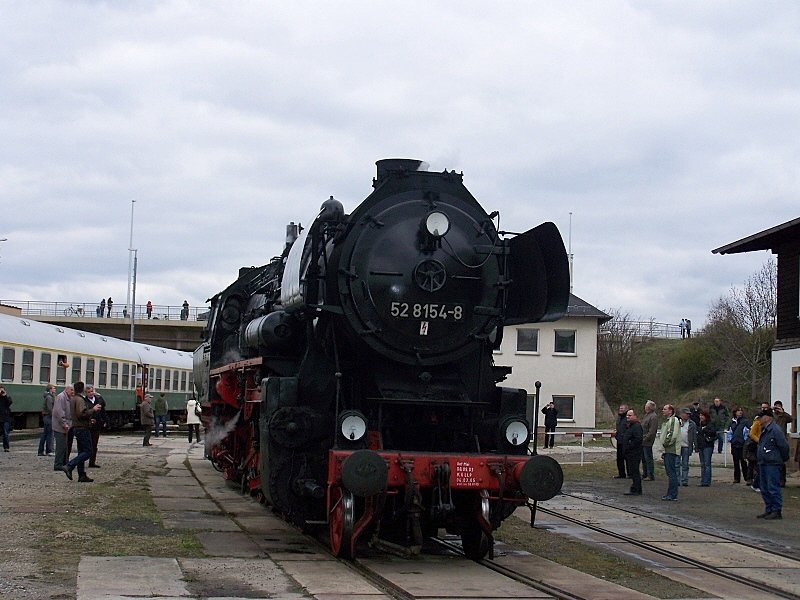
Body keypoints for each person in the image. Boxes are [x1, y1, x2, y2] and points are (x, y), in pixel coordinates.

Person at [61, 382, 102, 482]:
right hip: (82, 428)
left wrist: (89, 420)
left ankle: (81, 475)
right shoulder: (79, 399)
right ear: (83, 389)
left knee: (81, 451)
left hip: (77, 427)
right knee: (88, 451)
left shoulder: (73, 399)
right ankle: (70, 466)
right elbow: (81, 413)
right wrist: (93, 410)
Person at [755, 407, 790, 520]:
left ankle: (776, 510)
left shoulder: (775, 430)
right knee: (764, 487)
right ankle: (769, 509)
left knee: (772, 487)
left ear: (767, 418)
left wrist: (781, 458)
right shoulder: (765, 429)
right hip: (764, 462)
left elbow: (784, 446)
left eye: (761, 417)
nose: (760, 419)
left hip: (772, 463)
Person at [746, 402, 770, 491]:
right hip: (757, 445)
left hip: (765, 445)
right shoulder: (757, 422)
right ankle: (756, 483)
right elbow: (751, 434)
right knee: (757, 465)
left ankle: (760, 483)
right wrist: (759, 441)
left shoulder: (770, 423)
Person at [659, 404, 681, 500]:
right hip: (668, 450)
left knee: (672, 473)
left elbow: (672, 434)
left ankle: (672, 494)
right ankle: (670, 493)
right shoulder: (668, 421)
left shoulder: (673, 420)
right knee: (670, 472)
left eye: (665, 409)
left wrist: (665, 444)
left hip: (671, 450)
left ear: (670, 411)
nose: (663, 411)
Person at [52, 384, 73, 470]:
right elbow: (59, 412)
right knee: (60, 446)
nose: (73, 392)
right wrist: (64, 423)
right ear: (66, 389)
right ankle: (58, 464)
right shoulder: (61, 397)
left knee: (64, 446)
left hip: (65, 426)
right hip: (60, 426)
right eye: (71, 390)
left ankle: (64, 462)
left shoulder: (67, 397)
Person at [772, 400, 793, 487]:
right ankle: (775, 479)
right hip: (772, 440)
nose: (777, 408)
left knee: (782, 461)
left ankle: (782, 480)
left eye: (778, 406)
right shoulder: (772, 416)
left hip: (782, 440)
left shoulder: (784, 416)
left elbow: (791, 419)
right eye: (776, 406)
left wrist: (783, 413)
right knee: (773, 461)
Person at [622, 409, 643, 495]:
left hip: (634, 452)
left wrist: (630, 446)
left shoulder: (637, 426)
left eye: (630, 415)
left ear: (635, 416)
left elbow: (638, 439)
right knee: (632, 471)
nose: (627, 417)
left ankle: (637, 489)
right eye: (627, 415)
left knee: (635, 471)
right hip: (629, 452)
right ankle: (634, 487)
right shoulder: (630, 426)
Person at [85, 386, 106, 468]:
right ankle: (83, 461)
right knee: (87, 444)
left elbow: (103, 411)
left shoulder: (98, 400)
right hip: (87, 425)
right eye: (89, 392)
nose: (91, 393)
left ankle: (92, 462)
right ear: (86, 393)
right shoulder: (85, 401)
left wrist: (104, 421)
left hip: (96, 425)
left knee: (94, 444)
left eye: (91, 391)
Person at [727, 407, 750, 484]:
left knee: (743, 462)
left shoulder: (745, 421)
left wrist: (745, 440)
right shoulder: (732, 422)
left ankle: (747, 477)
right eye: (738, 411)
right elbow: (729, 432)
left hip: (742, 444)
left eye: (741, 411)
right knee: (735, 462)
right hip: (734, 444)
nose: (740, 412)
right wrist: (731, 440)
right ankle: (736, 478)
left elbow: (747, 431)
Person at [677, 408, 697, 487]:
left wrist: (695, 445)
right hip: (678, 445)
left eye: (688, 414)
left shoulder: (692, 424)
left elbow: (694, 436)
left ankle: (684, 480)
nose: (687, 415)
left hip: (686, 446)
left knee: (685, 464)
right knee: (677, 464)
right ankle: (677, 480)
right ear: (682, 414)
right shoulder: (677, 422)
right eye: (686, 414)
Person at [696, 411, 716, 486]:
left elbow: (713, 433)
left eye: (702, 415)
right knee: (702, 464)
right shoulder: (699, 425)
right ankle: (703, 480)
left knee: (707, 464)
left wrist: (705, 430)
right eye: (700, 415)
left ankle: (707, 481)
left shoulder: (710, 424)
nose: (701, 417)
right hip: (701, 445)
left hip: (707, 446)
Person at [640, 400, 658, 481]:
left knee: (648, 458)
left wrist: (645, 438)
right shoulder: (647, 415)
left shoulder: (653, 417)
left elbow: (652, 431)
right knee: (643, 458)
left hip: (647, 441)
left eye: (646, 406)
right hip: (643, 440)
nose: (645, 407)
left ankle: (650, 474)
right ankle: (645, 473)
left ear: (649, 407)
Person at [37, 384, 56, 456]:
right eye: (53, 388)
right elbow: (50, 408)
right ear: (50, 389)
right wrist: (54, 415)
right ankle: (49, 450)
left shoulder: (49, 397)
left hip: (46, 416)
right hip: (49, 417)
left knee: (45, 434)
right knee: (49, 434)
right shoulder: (49, 398)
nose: (55, 389)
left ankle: (40, 451)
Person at [613, 403, 629, 479]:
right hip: (619, 440)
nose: (621, 410)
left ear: (626, 409)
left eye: (622, 408)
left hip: (626, 441)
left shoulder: (628, 418)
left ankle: (630, 474)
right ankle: (621, 473)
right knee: (619, 459)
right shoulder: (619, 417)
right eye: (620, 408)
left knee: (628, 458)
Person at [0, 386, 13, 452]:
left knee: (5, 433)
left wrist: (4, 395)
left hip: (5, 418)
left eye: (2, 391)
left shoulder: (7, 398)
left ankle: (6, 447)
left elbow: (9, 403)